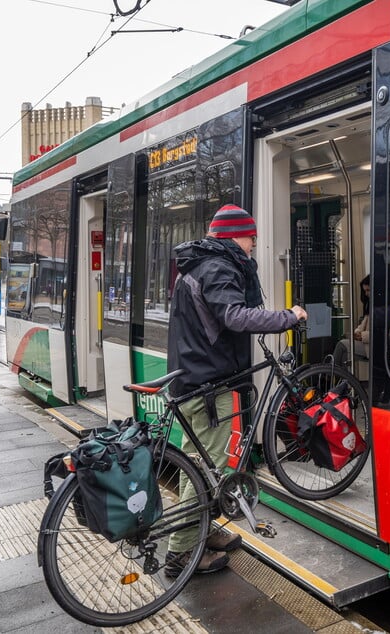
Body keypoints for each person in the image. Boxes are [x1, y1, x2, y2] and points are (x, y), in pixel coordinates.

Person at [165, 204, 308, 576]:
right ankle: (181, 553)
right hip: (206, 383)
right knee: (204, 469)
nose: (253, 245)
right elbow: (234, 316)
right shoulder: (218, 266)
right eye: (250, 238)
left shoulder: (198, 263)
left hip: (193, 375)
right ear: (235, 236)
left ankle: (203, 529)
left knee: (199, 465)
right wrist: (287, 317)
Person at [332, 275, 370, 367]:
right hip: (365, 343)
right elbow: (362, 325)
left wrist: (361, 336)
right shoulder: (370, 305)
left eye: (368, 290)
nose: (366, 294)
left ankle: (331, 372)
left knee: (341, 345)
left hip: (369, 345)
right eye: (365, 291)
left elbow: (379, 333)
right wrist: (357, 333)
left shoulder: (377, 308)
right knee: (344, 354)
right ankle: (339, 373)